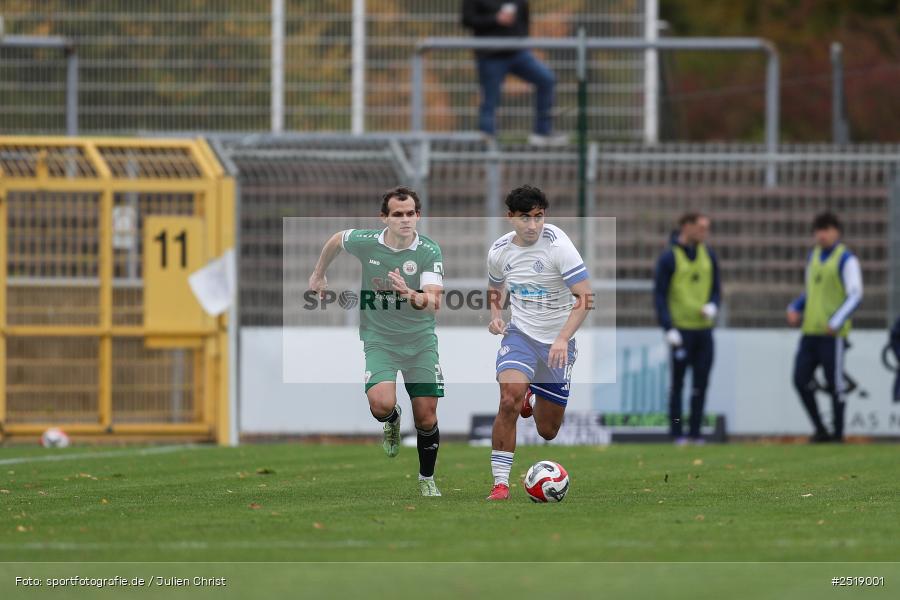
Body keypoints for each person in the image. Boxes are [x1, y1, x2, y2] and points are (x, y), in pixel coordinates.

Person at [308, 186, 446, 496]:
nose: (405, 220)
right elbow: (336, 240)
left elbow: (434, 302)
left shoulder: (428, 250)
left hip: (420, 341)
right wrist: (318, 274)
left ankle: (427, 479)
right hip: (380, 338)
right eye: (398, 214)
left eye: (410, 214)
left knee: (426, 417)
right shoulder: (367, 243)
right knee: (381, 404)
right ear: (383, 218)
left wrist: (408, 293)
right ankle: (392, 420)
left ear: (418, 216)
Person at [485, 185, 592, 500]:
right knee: (508, 400)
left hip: (558, 343)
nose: (532, 226)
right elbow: (495, 286)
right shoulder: (499, 251)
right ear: (510, 217)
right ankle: (501, 483)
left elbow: (585, 298)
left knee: (548, 430)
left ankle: (531, 393)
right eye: (525, 218)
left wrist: (562, 339)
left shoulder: (558, 246)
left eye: (538, 217)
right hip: (520, 336)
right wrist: (495, 314)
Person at [787, 212, 863, 443]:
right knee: (800, 380)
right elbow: (812, 291)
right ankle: (821, 429)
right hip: (810, 331)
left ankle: (838, 435)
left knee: (835, 384)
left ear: (836, 232)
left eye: (826, 229)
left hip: (833, 334)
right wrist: (796, 306)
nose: (821, 234)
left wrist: (836, 321)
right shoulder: (814, 256)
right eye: (818, 230)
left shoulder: (846, 259)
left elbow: (855, 294)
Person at [653, 212, 721, 444]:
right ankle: (676, 433)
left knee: (700, 384)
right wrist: (668, 327)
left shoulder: (708, 254)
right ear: (686, 227)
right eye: (701, 227)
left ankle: (695, 433)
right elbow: (660, 295)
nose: (705, 232)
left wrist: (713, 305)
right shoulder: (669, 258)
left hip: (704, 330)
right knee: (678, 385)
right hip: (680, 332)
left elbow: (716, 289)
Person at [461, 0, 567, 146]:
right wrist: (495, 19)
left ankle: (542, 132)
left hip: (518, 53)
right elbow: (467, 19)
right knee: (490, 100)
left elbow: (525, 16)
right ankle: (488, 142)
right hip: (490, 55)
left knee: (546, 79)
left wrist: (522, 39)